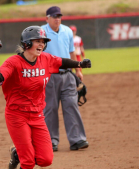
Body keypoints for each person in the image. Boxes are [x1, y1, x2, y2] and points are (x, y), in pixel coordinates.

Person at [0, 26, 91, 169]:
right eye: (37, 41)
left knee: (46, 160)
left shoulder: (45, 59)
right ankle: (21, 155)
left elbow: (62, 62)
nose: (41, 44)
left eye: (43, 42)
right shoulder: (13, 63)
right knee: (28, 162)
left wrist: (79, 64)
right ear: (26, 44)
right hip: (17, 115)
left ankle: (17, 153)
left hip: (37, 115)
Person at [41, 6, 89, 152]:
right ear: (47, 18)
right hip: (49, 76)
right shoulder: (41, 32)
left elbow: (71, 52)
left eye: (59, 16)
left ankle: (77, 139)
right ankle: (50, 141)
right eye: (54, 16)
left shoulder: (67, 31)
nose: (57, 19)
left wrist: (78, 71)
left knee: (71, 106)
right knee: (50, 108)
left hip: (67, 75)